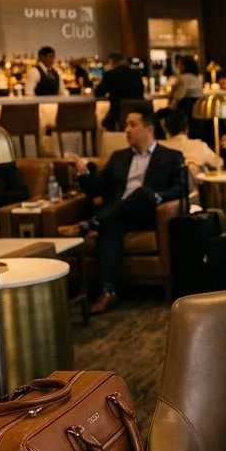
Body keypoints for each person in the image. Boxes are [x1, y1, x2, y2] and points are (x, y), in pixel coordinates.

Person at [59, 109, 186, 315]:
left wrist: (158, 197)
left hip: (146, 213)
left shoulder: (171, 156)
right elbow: (98, 188)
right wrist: (82, 171)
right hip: (117, 215)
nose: (127, 130)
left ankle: (89, 224)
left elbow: (181, 188)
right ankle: (108, 291)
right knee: (110, 225)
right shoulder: (118, 157)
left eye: (133, 125)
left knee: (143, 194)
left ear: (149, 129)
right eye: (126, 125)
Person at [95, 52, 146, 132]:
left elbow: (98, 93)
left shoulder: (110, 74)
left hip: (118, 113)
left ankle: (113, 140)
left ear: (112, 62)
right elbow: (142, 90)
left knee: (105, 123)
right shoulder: (137, 73)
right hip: (139, 111)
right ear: (124, 60)